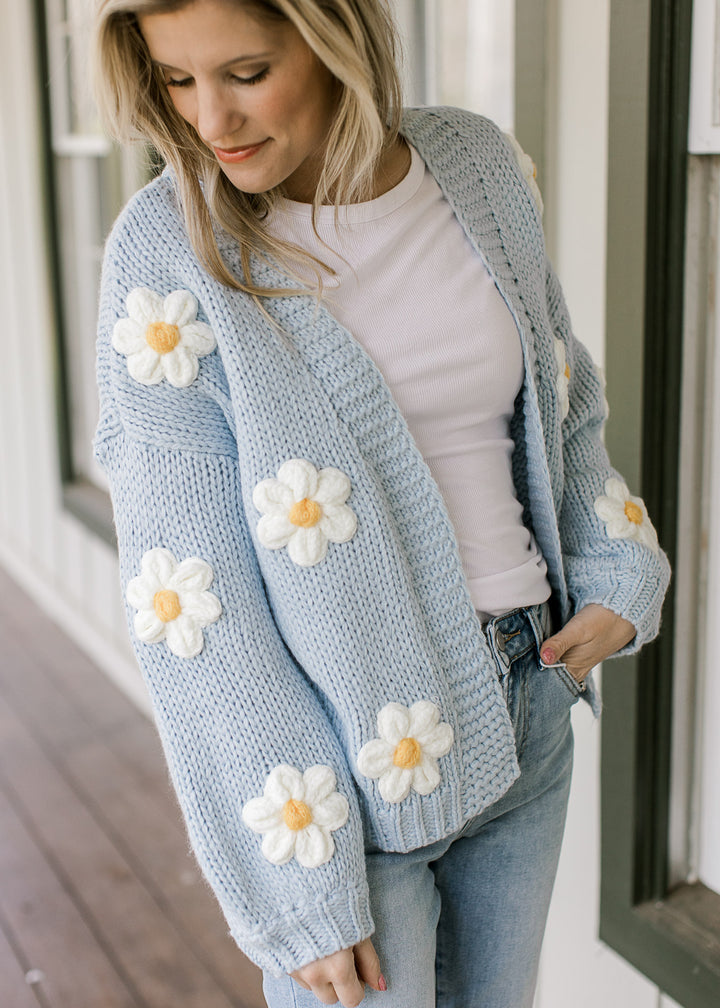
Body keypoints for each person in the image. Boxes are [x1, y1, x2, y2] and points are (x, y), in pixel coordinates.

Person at [91, 2, 670, 1006]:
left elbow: (561, 394)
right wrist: (298, 879)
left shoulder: (477, 166)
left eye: (245, 71)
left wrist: (619, 568)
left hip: (528, 700)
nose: (210, 119)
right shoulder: (168, 255)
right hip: (335, 778)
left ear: (334, 41)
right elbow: (192, 607)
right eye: (177, 81)